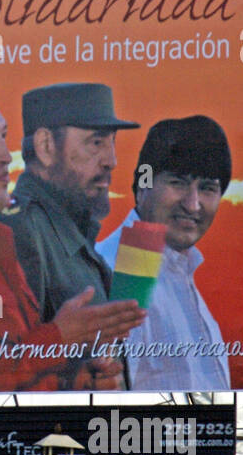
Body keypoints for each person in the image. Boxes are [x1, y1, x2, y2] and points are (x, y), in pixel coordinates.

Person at [0, 76, 144, 393]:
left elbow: (16, 364)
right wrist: (59, 340)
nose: (6, 155)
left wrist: (73, 381)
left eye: (3, 136)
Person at [95, 115, 232, 391]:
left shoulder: (177, 270)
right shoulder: (128, 271)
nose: (193, 205)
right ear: (143, 182)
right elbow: (107, 398)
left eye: (207, 188)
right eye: (178, 182)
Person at [0, 83, 141, 322]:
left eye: (112, 142)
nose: (112, 161)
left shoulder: (68, 228)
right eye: (96, 142)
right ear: (46, 146)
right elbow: (2, 352)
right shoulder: (22, 229)